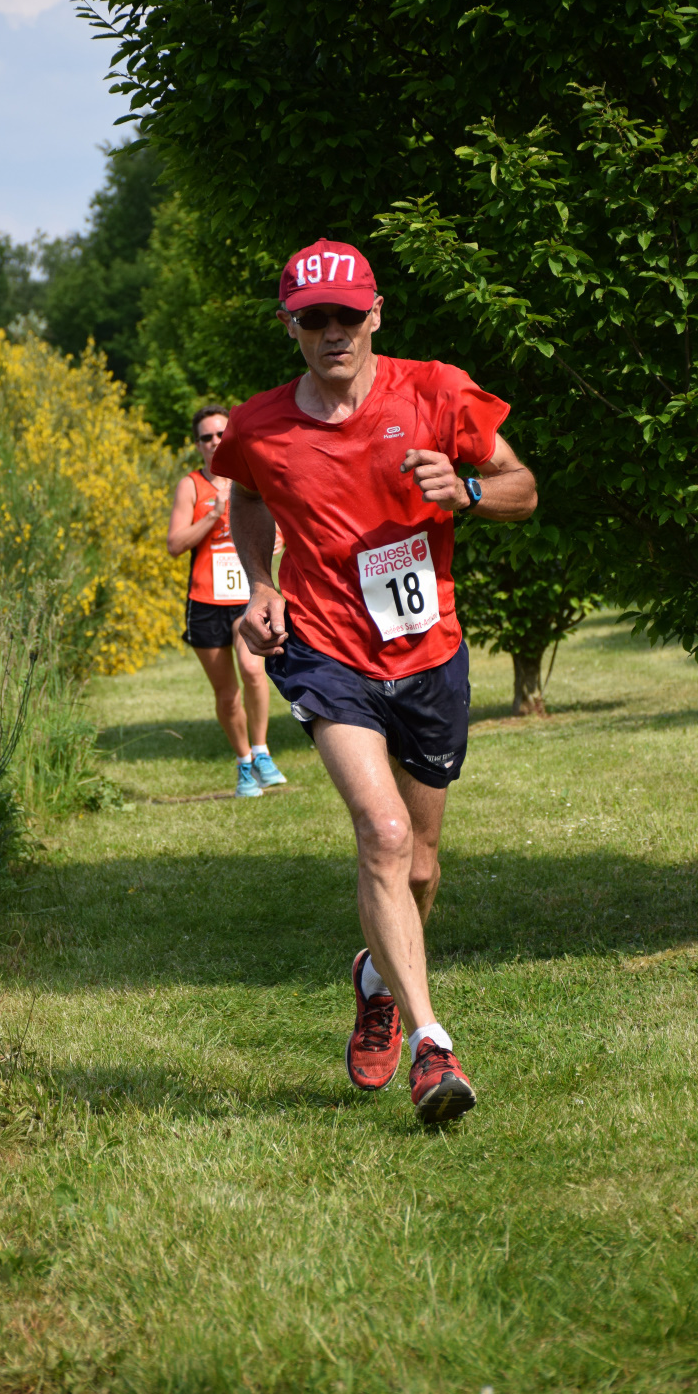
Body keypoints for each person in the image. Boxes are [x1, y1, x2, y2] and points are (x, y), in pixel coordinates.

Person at [213, 239, 536, 1124]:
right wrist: (262, 584)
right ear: (290, 326)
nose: (334, 332)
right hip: (327, 653)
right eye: (314, 319)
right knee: (384, 834)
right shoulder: (258, 426)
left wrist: (467, 492)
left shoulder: (436, 392)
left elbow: (523, 487)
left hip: (427, 652)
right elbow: (247, 494)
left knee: (422, 867)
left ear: (376, 314)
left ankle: (377, 979)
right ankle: (434, 1048)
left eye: (348, 316)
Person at [167, 404, 287, 798]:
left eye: (221, 434)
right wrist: (212, 515)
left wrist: (279, 539)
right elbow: (174, 545)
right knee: (227, 694)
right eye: (206, 437)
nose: (215, 442)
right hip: (205, 601)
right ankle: (244, 763)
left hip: (245, 597)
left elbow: (282, 521)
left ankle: (262, 751)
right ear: (197, 444)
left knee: (252, 669)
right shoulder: (191, 486)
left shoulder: (248, 479)